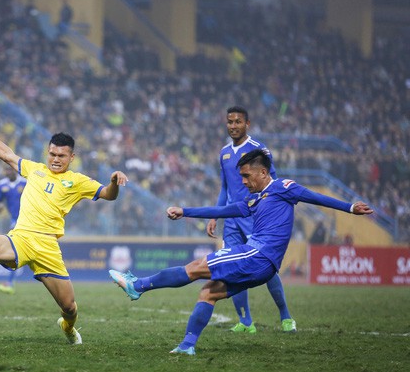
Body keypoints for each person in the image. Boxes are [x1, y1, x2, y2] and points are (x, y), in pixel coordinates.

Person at [110, 149, 372, 355]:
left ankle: (139, 286)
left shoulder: (283, 188)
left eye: (247, 176)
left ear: (263, 172)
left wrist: (350, 208)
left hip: (256, 255)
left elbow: (315, 197)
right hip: (263, 266)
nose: (244, 182)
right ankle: (187, 345)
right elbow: (223, 211)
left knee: (196, 267)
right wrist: (186, 211)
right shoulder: (254, 200)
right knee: (208, 292)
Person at [0, 112, 128, 345]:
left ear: (72, 157)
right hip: (22, 238)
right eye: (52, 154)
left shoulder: (78, 181)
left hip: (48, 247)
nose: (55, 159)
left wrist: (113, 181)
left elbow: (109, 195)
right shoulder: (35, 169)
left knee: (69, 307)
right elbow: (7, 155)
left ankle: (68, 328)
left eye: (61, 155)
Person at [206, 106, 295, 333]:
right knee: (234, 267)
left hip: (255, 216)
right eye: (230, 122)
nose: (233, 126)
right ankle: (245, 321)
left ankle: (286, 316)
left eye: (237, 122)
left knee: (265, 267)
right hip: (233, 219)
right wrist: (216, 215)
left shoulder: (258, 150)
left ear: (247, 124)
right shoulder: (224, 153)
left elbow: (272, 183)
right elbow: (224, 188)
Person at [0, 165, 27, 294]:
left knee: (16, 251)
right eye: (6, 170)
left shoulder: (25, 182)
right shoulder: (2, 185)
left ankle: (10, 282)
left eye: (10, 169)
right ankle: (10, 282)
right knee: (16, 251)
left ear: (15, 170)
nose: (8, 172)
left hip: (28, 219)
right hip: (15, 220)